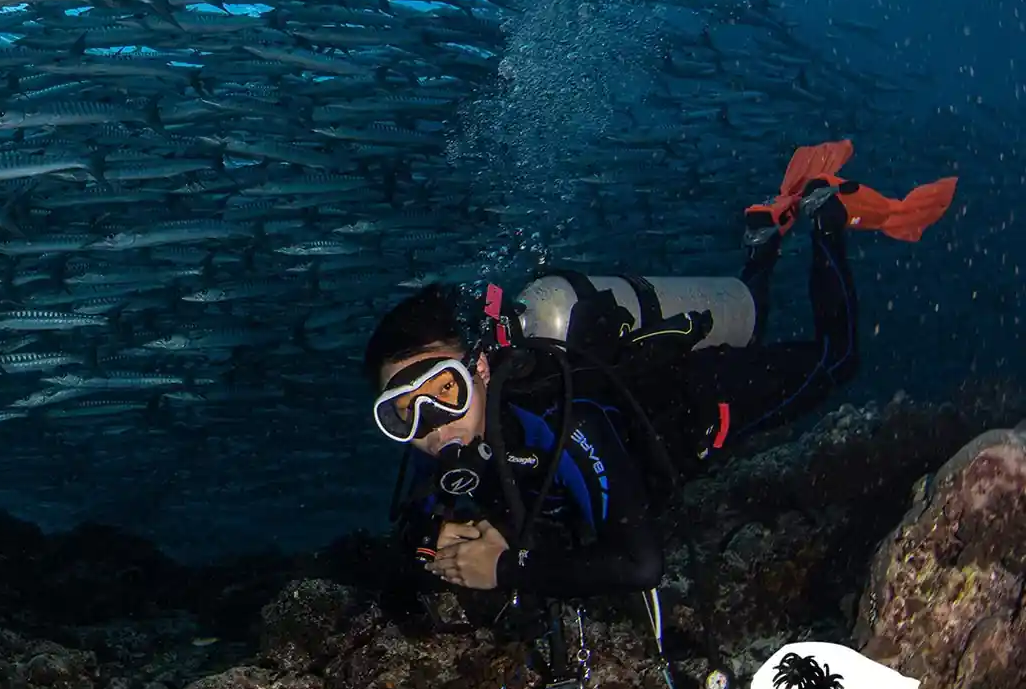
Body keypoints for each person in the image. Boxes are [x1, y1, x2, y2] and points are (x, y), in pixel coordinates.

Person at [365, 142, 956, 601]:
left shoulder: (562, 415)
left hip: (710, 403)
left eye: (444, 390)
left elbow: (641, 564)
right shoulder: (443, 450)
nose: (433, 424)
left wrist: (507, 567)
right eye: (403, 412)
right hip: (676, 384)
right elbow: (410, 532)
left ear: (483, 369)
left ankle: (825, 217)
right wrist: (433, 545)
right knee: (752, 323)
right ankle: (764, 239)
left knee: (839, 359)